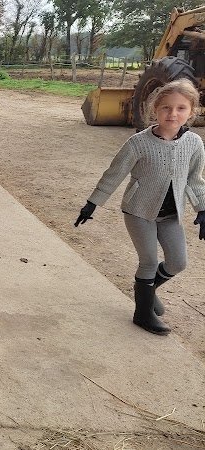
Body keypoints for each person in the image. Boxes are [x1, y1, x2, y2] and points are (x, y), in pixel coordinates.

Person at [75, 79, 205, 336]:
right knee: (148, 261)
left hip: (170, 215)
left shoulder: (194, 144)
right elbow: (114, 174)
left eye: (181, 108)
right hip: (139, 211)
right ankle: (142, 313)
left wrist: (203, 209)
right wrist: (92, 204)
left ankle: (147, 292)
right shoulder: (138, 143)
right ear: (154, 109)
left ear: (192, 112)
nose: (173, 113)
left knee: (178, 262)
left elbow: (195, 179)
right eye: (166, 107)